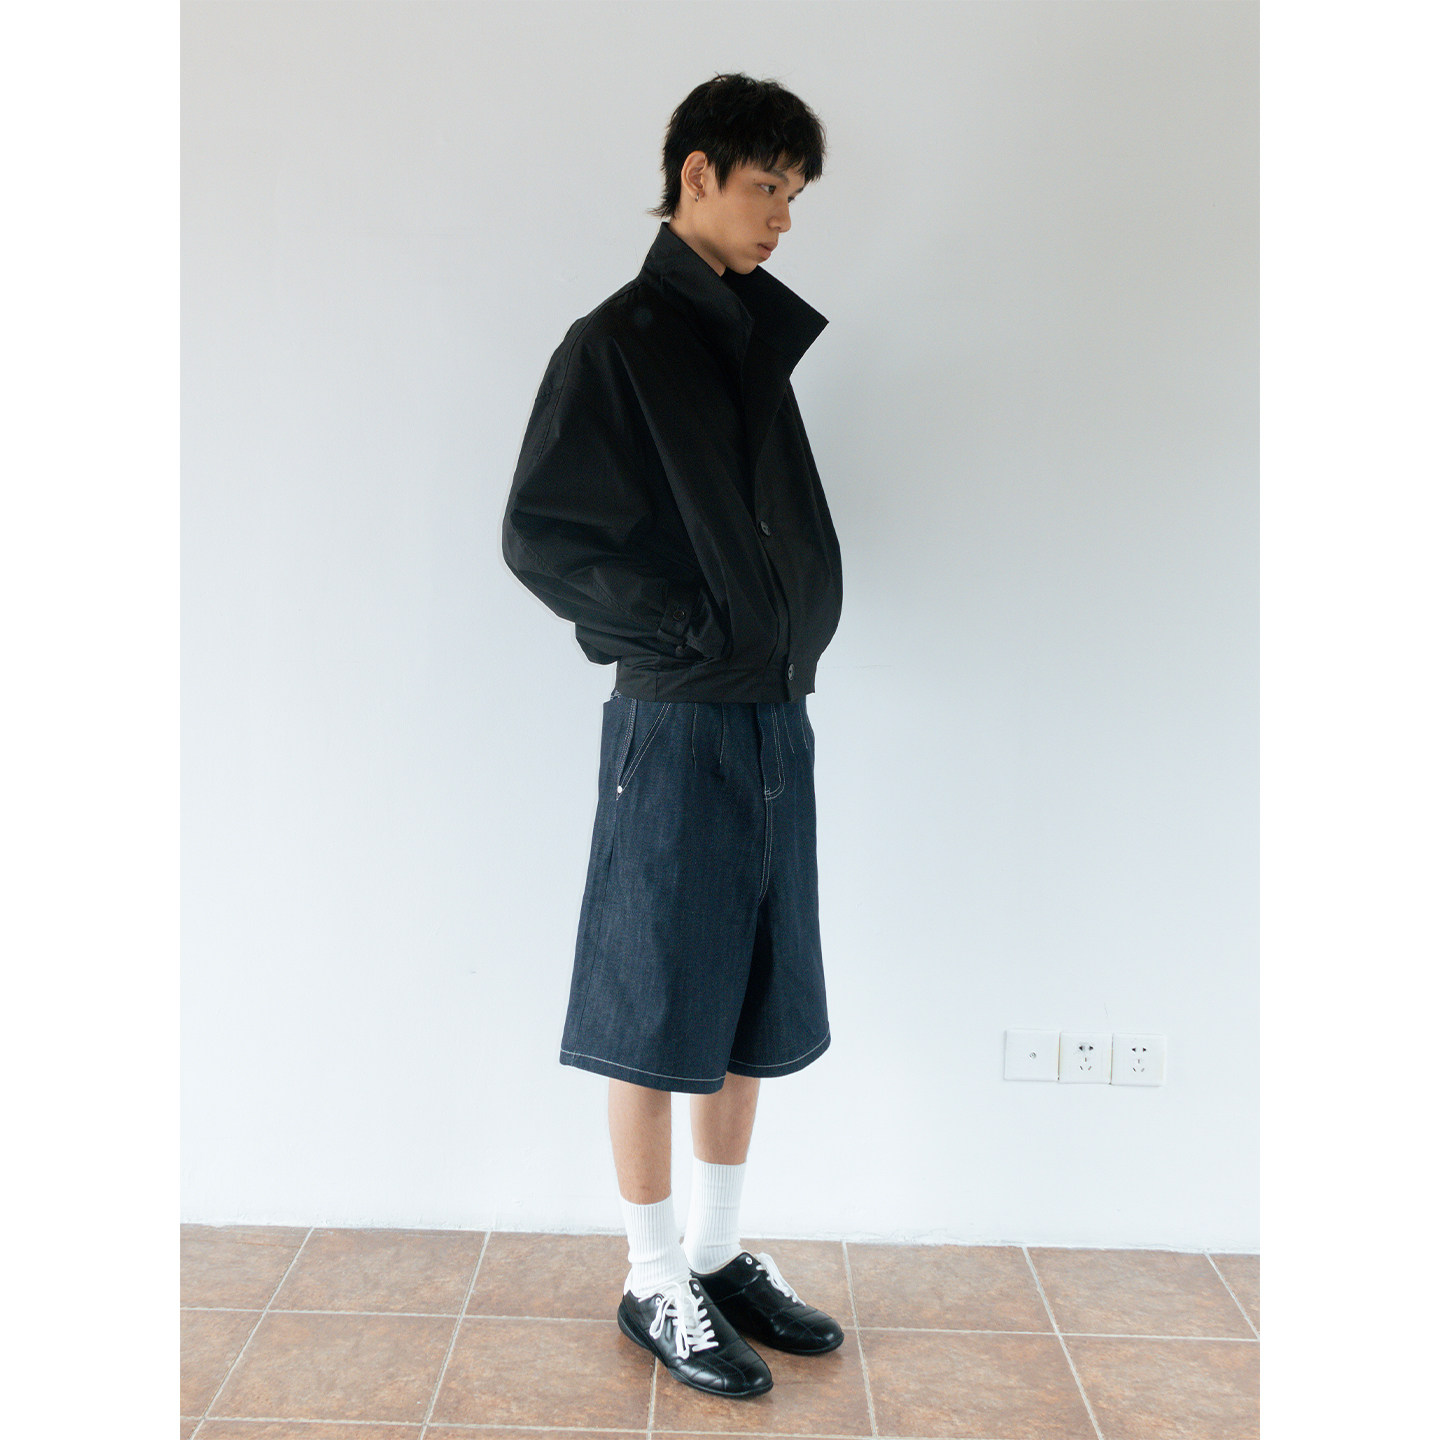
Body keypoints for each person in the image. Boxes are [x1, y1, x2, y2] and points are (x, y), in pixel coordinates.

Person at [501, 72, 844, 1400]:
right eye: (768, 189)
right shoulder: (618, 343)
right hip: (680, 718)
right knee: (653, 1000)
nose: (783, 219)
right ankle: (651, 1275)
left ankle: (713, 1251)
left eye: (795, 196)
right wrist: (687, 630)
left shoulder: (745, 337)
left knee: (753, 996)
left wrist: (784, 631)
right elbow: (543, 533)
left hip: (772, 714)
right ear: (696, 173)